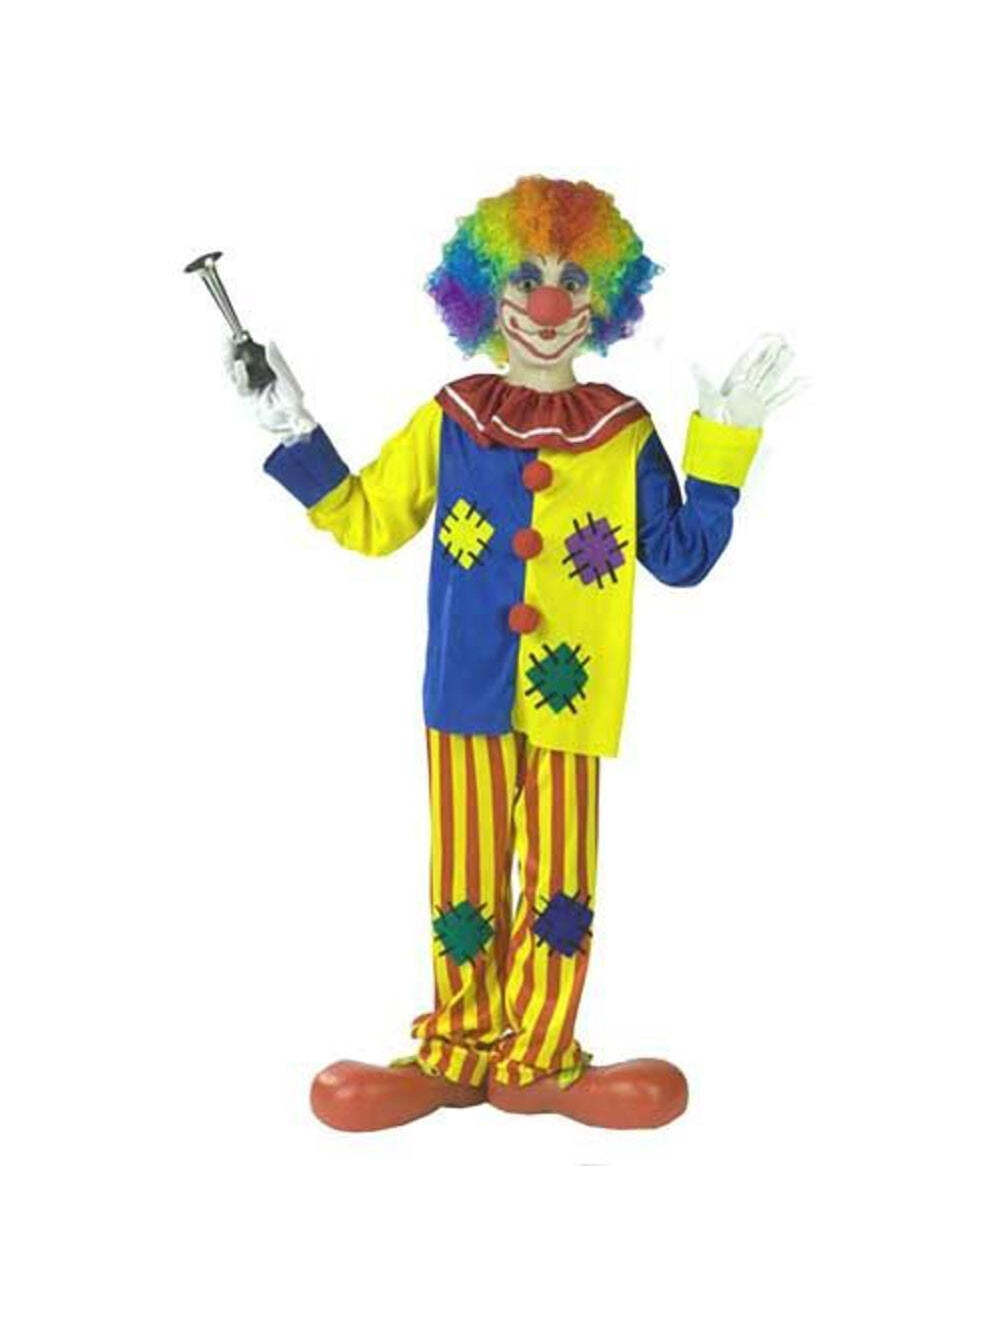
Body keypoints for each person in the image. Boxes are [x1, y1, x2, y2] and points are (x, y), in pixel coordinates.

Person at [225, 176, 800, 1131]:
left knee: (562, 884)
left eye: (573, 280)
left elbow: (680, 558)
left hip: (574, 699)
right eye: (527, 277)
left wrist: (725, 445)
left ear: (602, 302)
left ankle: (539, 1057)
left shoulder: (620, 432)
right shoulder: (454, 417)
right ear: (485, 295)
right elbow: (367, 519)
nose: (548, 302)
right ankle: (457, 1049)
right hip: (466, 690)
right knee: (464, 876)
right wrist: (293, 426)